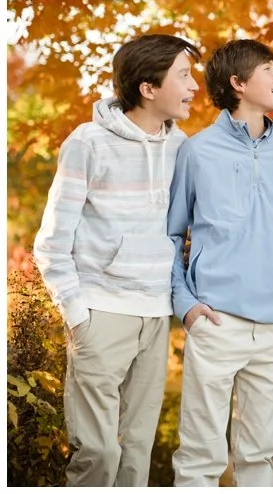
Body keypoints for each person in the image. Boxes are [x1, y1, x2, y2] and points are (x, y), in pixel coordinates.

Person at [33, 33, 201, 487]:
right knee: (99, 454)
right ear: (148, 88)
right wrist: (77, 314)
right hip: (102, 311)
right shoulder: (87, 143)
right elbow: (51, 241)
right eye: (183, 76)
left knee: (137, 450)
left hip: (156, 313)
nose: (193, 87)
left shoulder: (182, 147)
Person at [168, 40, 273, 487]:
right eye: (269, 69)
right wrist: (185, 303)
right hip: (216, 320)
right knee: (200, 456)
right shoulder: (197, 151)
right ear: (239, 83)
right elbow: (173, 233)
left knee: (259, 458)